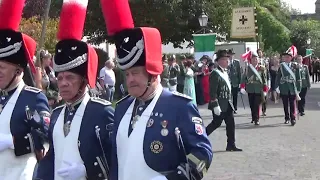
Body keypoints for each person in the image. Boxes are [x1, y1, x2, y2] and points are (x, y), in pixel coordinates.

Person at [100, 0, 213, 179]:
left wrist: (174, 177)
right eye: (127, 74)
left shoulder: (179, 106)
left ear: (152, 73)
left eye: (135, 73)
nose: (130, 79)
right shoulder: (121, 107)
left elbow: (203, 154)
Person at [35, 1, 114, 179]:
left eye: (70, 78)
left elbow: (116, 159)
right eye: (60, 78)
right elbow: (52, 157)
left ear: (84, 81)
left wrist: (88, 171)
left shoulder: (101, 112)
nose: (63, 83)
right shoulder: (56, 114)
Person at [0, 0, 50, 179]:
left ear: (19, 70)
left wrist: (11, 142)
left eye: (2, 67)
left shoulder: (34, 97)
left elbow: (45, 137)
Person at [206, 50, 242, 151]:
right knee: (216, 123)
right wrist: (215, 104)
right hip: (219, 104)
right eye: (225, 60)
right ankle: (200, 137)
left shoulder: (225, 72)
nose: (228, 61)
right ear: (220, 61)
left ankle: (231, 144)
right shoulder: (215, 73)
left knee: (231, 124)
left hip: (227, 103)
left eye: (228, 59)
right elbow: (212, 91)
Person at [240, 51, 268, 125]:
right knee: (252, 104)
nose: (255, 60)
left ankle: (257, 119)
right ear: (251, 60)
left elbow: (264, 79)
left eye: (256, 59)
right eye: (253, 59)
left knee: (256, 104)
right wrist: (242, 87)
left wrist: (265, 90)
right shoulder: (248, 68)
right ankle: (253, 117)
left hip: (259, 89)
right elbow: (244, 78)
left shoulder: (261, 68)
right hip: (250, 89)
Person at [275, 49, 302, 126]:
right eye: (285, 57)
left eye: (288, 57)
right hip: (284, 88)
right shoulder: (281, 66)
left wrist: (298, 88)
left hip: (292, 88)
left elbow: (298, 77)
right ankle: (287, 118)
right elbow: (278, 77)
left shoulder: (295, 65)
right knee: (285, 104)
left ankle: (293, 118)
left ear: (291, 58)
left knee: (292, 104)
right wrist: (276, 87)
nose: (286, 58)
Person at [227, 49, 241, 113]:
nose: (231, 56)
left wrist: (240, 82)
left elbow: (239, 72)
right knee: (229, 97)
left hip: (235, 82)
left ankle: (235, 108)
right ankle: (230, 108)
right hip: (228, 82)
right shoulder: (226, 62)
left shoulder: (237, 62)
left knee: (235, 96)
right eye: (229, 55)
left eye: (232, 55)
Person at [257, 49, 269, 116]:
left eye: (260, 53)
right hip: (258, 81)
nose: (259, 54)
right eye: (258, 53)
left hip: (264, 81)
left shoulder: (265, 61)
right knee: (258, 98)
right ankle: (257, 112)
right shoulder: (255, 61)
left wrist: (268, 82)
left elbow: (267, 71)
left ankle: (264, 111)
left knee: (265, 97)